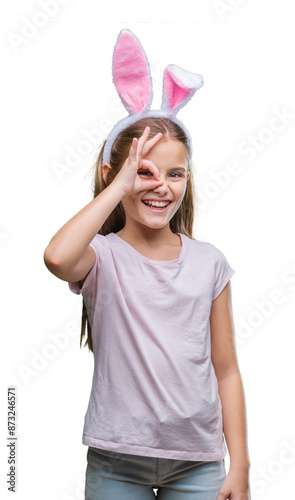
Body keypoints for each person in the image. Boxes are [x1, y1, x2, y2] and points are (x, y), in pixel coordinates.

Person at [44, 30, 251, 500]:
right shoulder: (101, 255)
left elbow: (226, 370)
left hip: (197, 465)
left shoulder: (210, 262)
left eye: (175, 173)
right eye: (144, 171)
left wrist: (240, 465)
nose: (162, 187)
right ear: (113, 174)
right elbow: (56, 257)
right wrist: (117, 188)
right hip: (117, 463)